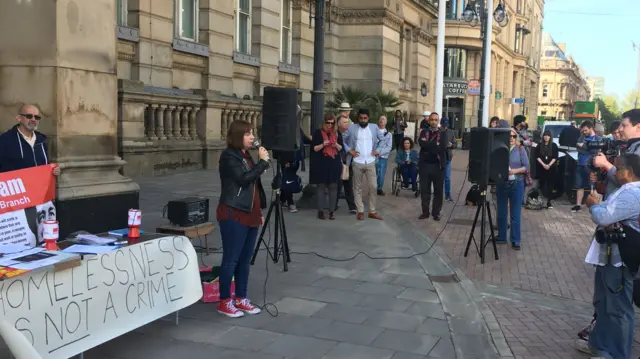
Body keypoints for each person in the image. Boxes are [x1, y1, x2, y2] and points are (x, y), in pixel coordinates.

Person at [575, 153, 640, 359]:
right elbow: (607, 211)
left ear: (628, 172)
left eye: (618, 168)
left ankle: (618, 354)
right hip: (609, 257)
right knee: (603, 303)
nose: (615, 171)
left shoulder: (633, 194)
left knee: (618, 308)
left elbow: (603, 216)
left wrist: (593, 204)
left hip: (619, 260)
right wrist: (599, 206)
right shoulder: (625, 191)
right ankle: (600, 346)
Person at [216, 120, 269, 318]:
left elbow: (254, 186)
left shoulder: (246, 155)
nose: (252, 137)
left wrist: (259, 211)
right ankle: (224, 301)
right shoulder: (228, 156)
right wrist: (263, 163)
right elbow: (244, 179)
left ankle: (240, 297)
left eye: (252, 133)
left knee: (245, 259)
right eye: (248, 134)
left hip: (250, 213)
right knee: (231, 258)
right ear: (238, 136)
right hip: (233, 212)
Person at [343, 108, 384, 221]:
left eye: (365, 118)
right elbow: (341, 139)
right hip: (357, 162)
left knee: (373, 187)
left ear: (368, 118)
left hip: (370, 161)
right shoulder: (352, 128)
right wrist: (349, 150)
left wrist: (378, 150)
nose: (363, 120)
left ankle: (372, 211)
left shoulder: (374, 127)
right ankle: (360, 211)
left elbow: (383, 139)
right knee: (357, 187)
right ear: (358, 118)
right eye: (361, 118)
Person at [0, 103, 61, 176]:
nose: (33, 119)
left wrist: (54, 170)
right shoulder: (5, 140)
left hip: (40, 185)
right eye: (29, 116)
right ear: (19, 118)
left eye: (37, 117)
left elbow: (46, 165)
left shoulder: (42, 140)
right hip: (19, 186)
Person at [496, 128, 529, 250]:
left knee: (515, 214)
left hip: (517, 184)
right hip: (502, 183)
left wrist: (514, 171)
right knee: (501, 212)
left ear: (517, 138)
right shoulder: (500, 149)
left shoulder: (521, 149)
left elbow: (526, 167)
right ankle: (502, 236)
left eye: (514, 136)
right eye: (509, 136)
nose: (511, 138)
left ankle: (515, 240)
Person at [311, 113, 344, 220]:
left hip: (334, 162)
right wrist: (323, 144)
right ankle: (320, 211)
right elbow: (314, 148)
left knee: (333, 186)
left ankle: (331, 211)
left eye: (332, 123)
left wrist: (336, 145)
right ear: (324, 122)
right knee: (321, 186)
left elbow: (341, 149)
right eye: (328, 123)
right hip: (321, 162)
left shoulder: (337, 133)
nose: (329, 125)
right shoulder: (318, 133)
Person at [418, 112, 448, 221]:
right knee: (424, 190)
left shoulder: (443, 133)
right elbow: (422, 144)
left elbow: (441, 148)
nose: (434, 122)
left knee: (438, 191)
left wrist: (429, 146)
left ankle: (436, 213)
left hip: (438, 166)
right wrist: (435, 144)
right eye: (432, 120)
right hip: (425, 165)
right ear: (429, 121)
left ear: (438, 121)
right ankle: (425, 212)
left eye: (436, 120)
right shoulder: (424, 132)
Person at [573, 120, 599, 212]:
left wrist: (584, 147)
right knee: (579, 185)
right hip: (580, 164)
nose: (584, 132)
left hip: (592, 166)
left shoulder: (598, 139)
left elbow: (595, 151)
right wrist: (587, 148)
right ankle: (578, 205)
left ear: (591, 128)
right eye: (583, 131)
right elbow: (578, 148)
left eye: (585, 130)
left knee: (593, 186)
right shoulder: (581, 137)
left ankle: (595, 205)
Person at [336, 114, 357, 213]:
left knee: (348, 185)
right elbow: (340, 145)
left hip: (348, 161)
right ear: (339, 124)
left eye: (348, 122)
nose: (347, 124)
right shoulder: (336, 134)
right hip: (338, 162)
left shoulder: (351, 133)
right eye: (345, 122)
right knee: (338, 185)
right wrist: (350, 150)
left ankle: (352, 207)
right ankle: (333, 205)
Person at [535, 129, 559, 208]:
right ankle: (538, 200)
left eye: (548, 135)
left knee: (550, 185)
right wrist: (543, 164)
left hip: (551, 168)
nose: (546, 137)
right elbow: (537, 156)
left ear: (550, 137)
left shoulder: (554, 145)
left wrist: (549, 165)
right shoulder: (539, 145)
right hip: (541, 167)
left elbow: (555, 157)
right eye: (545, 135)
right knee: (540, 184)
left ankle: (549, 201)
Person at [375, 116, 393, 196]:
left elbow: (389, 147)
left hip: (382, 157)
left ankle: (379, 188)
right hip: (373, 156)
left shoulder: (388, 134)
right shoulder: (374, 132)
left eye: (384, 119)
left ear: (386, 122)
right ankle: (372, 188)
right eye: (380, 119)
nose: (382, 120)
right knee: (372, 174)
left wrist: (380, 153)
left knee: (381, 174)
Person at [441, 117, 456, 202]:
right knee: (438, 177)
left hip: (448, 158)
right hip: (438, 158)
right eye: (443, 125)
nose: (445, 127)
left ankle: (447, 195)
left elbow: (455, 144)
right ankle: (437, 193)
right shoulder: (438, 132)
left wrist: (451, 145)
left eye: (446, 125)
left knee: (447, 177)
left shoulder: (451, 132)